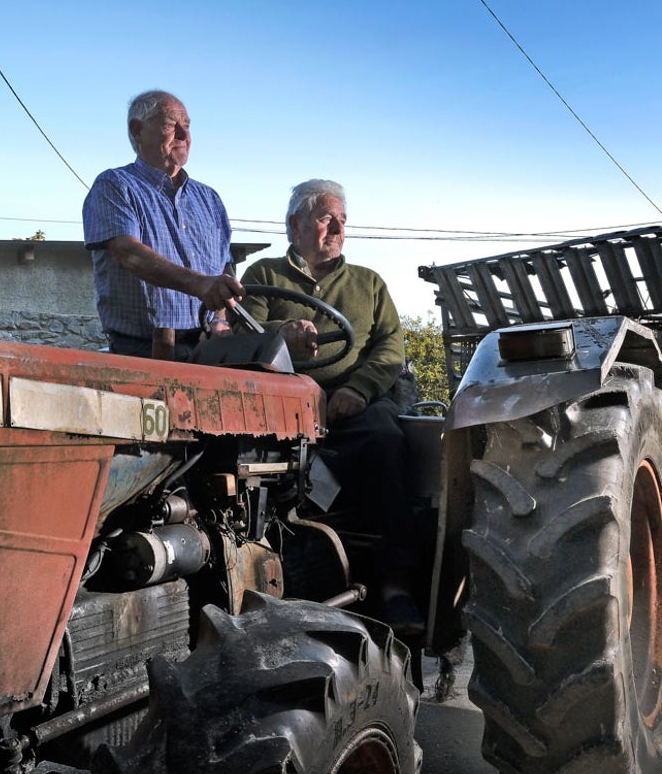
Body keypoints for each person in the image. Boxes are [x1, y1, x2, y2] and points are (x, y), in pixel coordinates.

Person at [235, 178, 425, 638]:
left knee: (386, 443)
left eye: (341, 218)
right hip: (279, 407)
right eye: (326, 217)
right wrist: (282, 332)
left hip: (351, 407)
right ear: (295, 224)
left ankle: (396, 586)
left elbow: (389, 348)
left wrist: (358, 390)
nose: (337, 226)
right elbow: (243, 330)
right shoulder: (263, 274)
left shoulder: (368, 283)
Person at [82, 90, 244, 361]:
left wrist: (219, 320)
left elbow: (224, 268)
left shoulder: (209, 199)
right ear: (137, 130)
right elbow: (129, 254)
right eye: (171, 125)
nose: (183, 135)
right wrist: (200, 284)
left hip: (208, 347)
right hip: (141, 351)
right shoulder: (115, 186)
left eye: (187, 126)